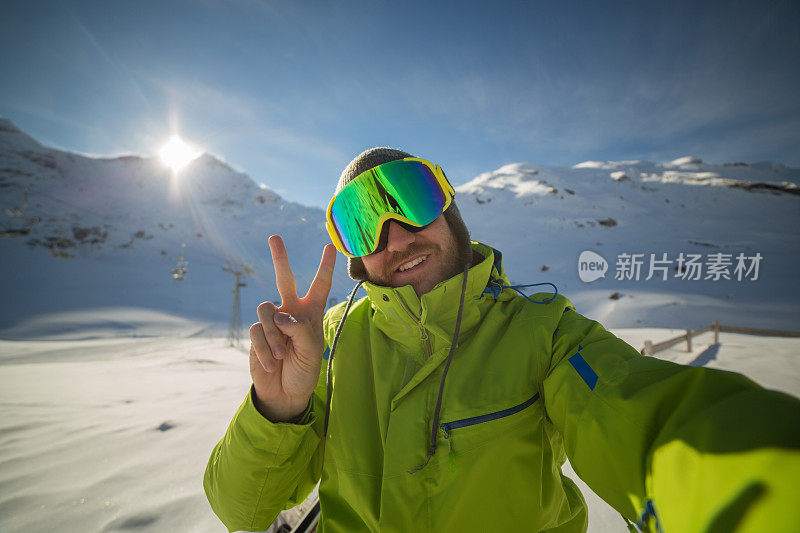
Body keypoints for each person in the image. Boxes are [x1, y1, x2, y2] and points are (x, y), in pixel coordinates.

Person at [204, 148, 800, 533]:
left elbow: (645, 421)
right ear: (355, 256)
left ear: (450, 208)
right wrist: (279, 410)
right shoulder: (329, 347)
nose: (395, 237)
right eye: (362, 224)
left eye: (411, 200)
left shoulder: (543, 332)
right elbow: (243, 510)